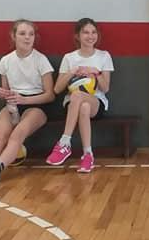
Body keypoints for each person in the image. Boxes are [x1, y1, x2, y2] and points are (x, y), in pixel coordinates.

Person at [0, 19, 55, 184]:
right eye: (22, 33)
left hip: (36, 105)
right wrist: (2, 93)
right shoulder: (6, 61)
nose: (27, 37)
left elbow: (50, 95)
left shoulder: (41, 60)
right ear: (13, 36)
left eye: (31, 34)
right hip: (13, 104)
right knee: (0, 135)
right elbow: (7, 91)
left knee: (17, 135)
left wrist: (25, 99)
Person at [46, 18, 114, 173]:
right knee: (82, 105)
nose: (90, 36)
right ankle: (88, 155)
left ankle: (64, 142)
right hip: (73, 105)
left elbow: (105, 88)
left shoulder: (104, 56)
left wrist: (95, 73)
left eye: (93, 32)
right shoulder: (69, 58)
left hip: (97, 102)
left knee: (79, 96)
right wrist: (73, 72)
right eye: (86, 32)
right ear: (77, 36)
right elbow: (57, 89)